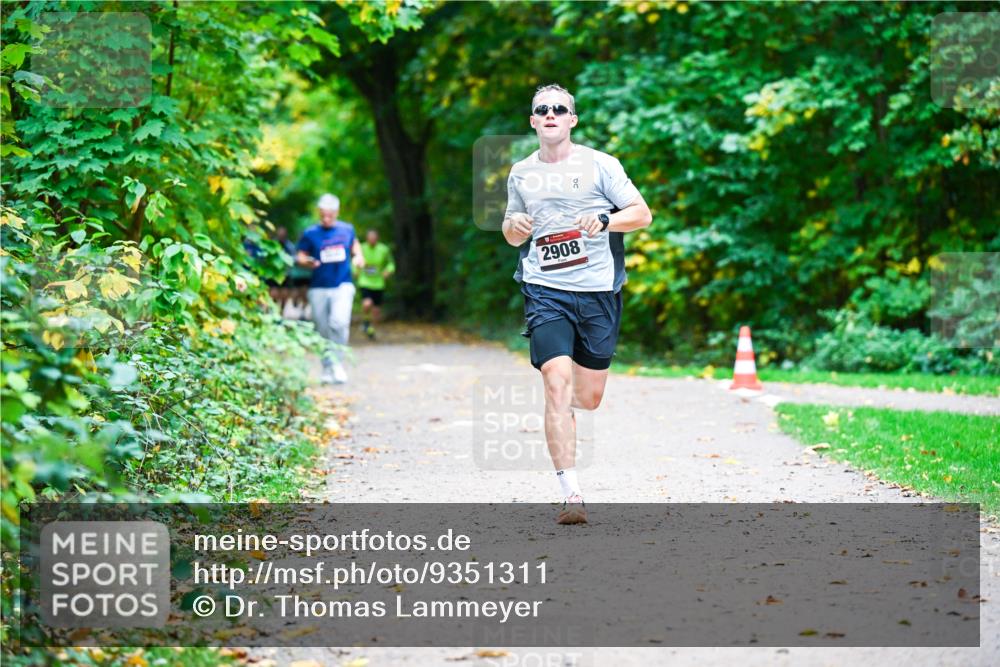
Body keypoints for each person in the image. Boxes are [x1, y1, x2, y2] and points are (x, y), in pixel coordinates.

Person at [501, 84, 652, 524]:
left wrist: (606, 220)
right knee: (556, 382)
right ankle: (572, 494)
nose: (550, 114)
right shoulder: (521, 173)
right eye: (541, 109)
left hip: (598, 291)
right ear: (533, 121)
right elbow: (511, 231)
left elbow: (641, 214)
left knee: (588, 397)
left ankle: (568, 409)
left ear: (572, 120)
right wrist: (516, 226)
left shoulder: (601, 165)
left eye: (559, 109)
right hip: (544, 289)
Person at [296, 194, 365, 384]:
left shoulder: (347, 229)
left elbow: (356, 248)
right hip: (318, 286)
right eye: (323, 215)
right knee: (322, 329)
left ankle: (338, 364)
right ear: (319, 213)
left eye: (330, 215)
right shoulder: (310, 233)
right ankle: (326, 367)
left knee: (339, 323)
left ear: (337, 213)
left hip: (342, 284)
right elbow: (300, 255)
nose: (326, 219)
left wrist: (359, 258)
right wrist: (306, 261)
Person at [357, 229, 395, 340]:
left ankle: (370, 328)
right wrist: (355, 270)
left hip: (378, 283)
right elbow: (355, 261)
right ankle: (365, 322)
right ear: (367, 238)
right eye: (370, 238)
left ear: (377, 238)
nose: (372, 240)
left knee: (376, 311)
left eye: (374, 238)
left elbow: (391, 263)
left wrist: (388, 270)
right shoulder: (361, 248)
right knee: (367, 303)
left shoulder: (383, 249)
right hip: (365, 281)